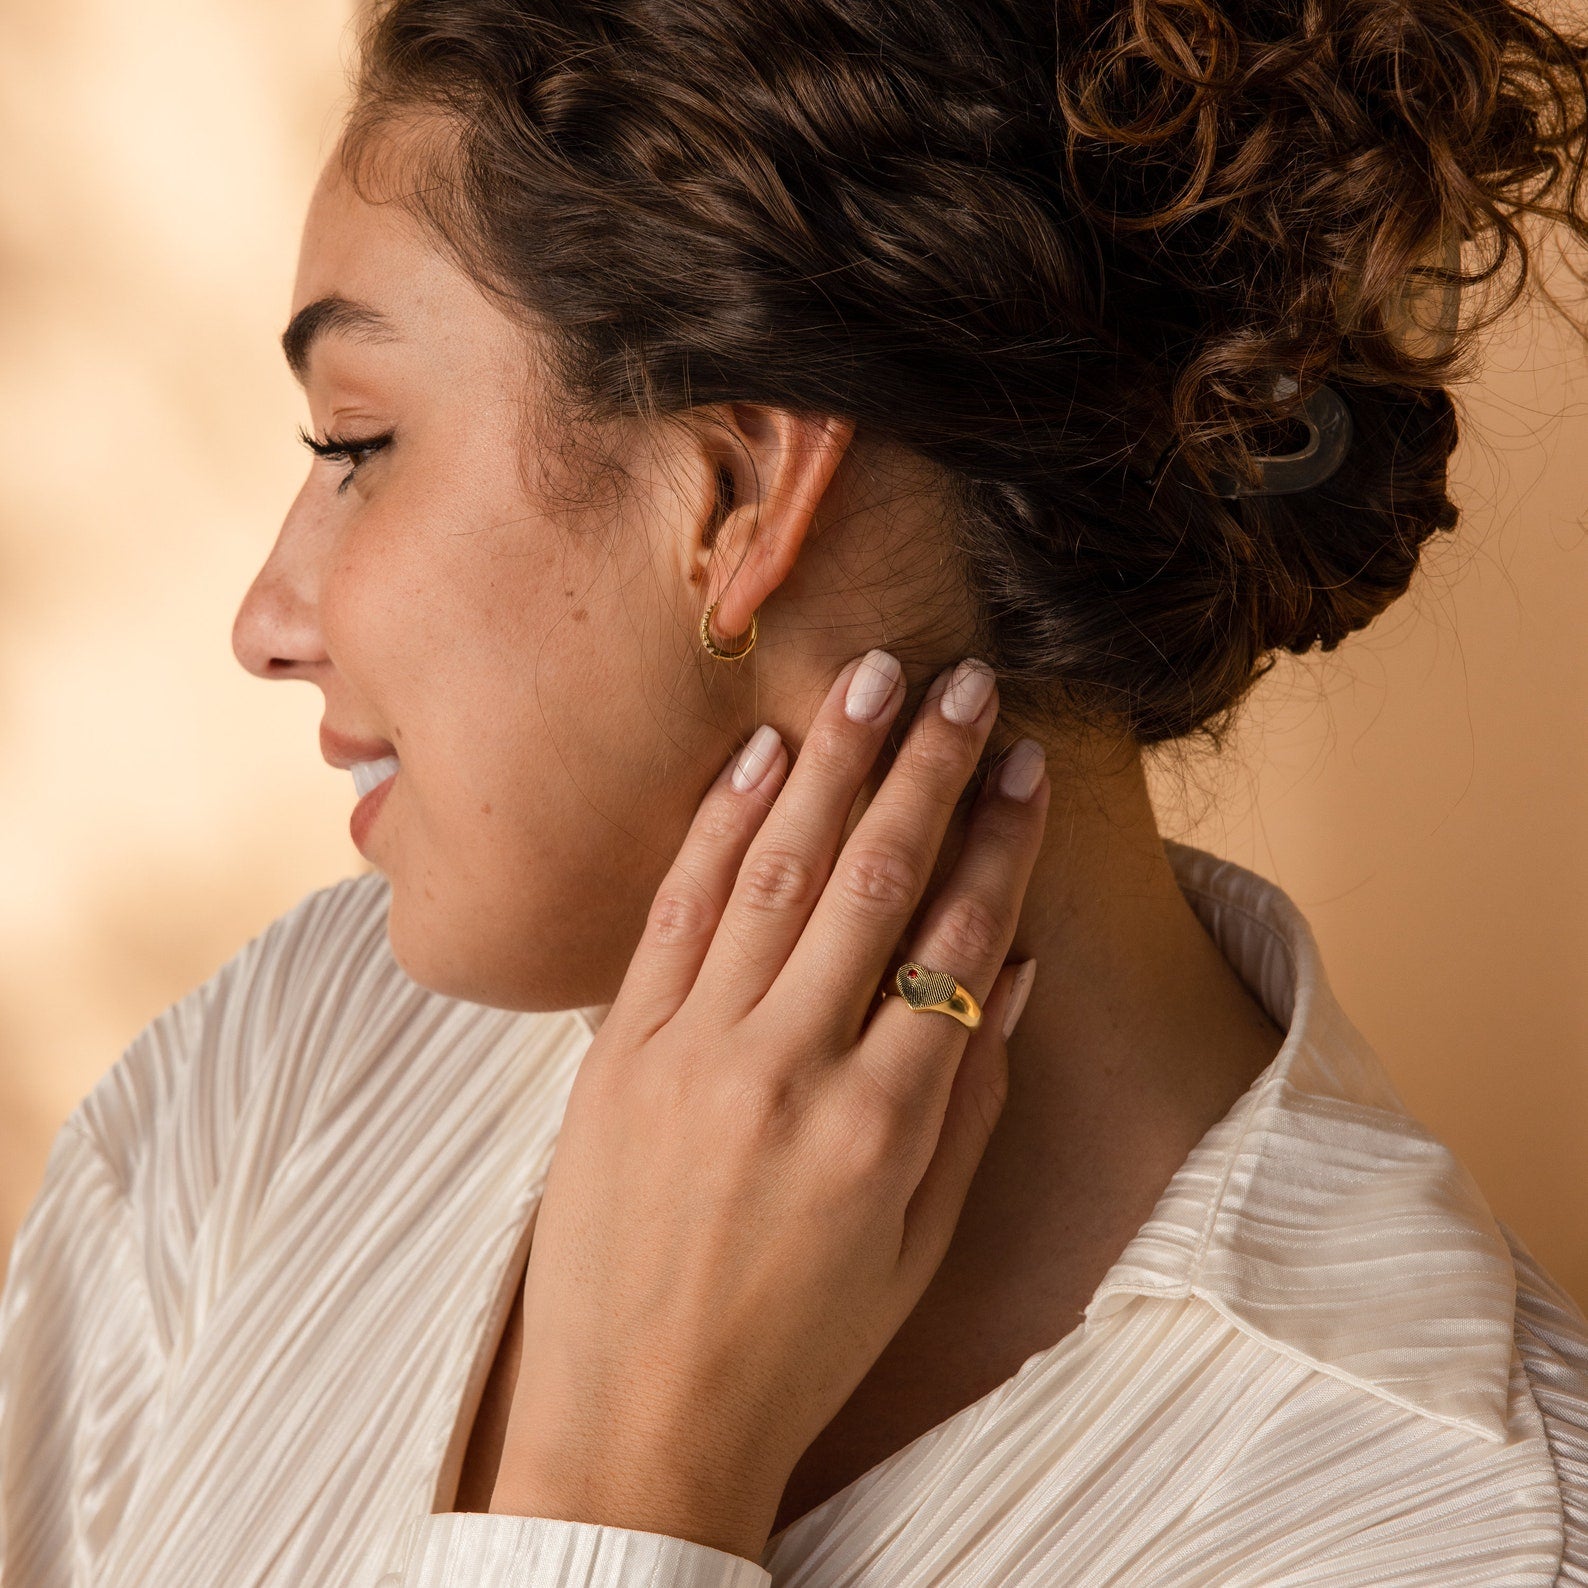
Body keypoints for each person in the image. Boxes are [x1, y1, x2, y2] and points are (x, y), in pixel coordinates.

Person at [3, 0, 1588, 1582]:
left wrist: (623, 1482)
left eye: (357, 443)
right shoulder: (286, 1073)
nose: (266, 622)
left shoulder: (1466, 1536)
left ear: (737, 497)